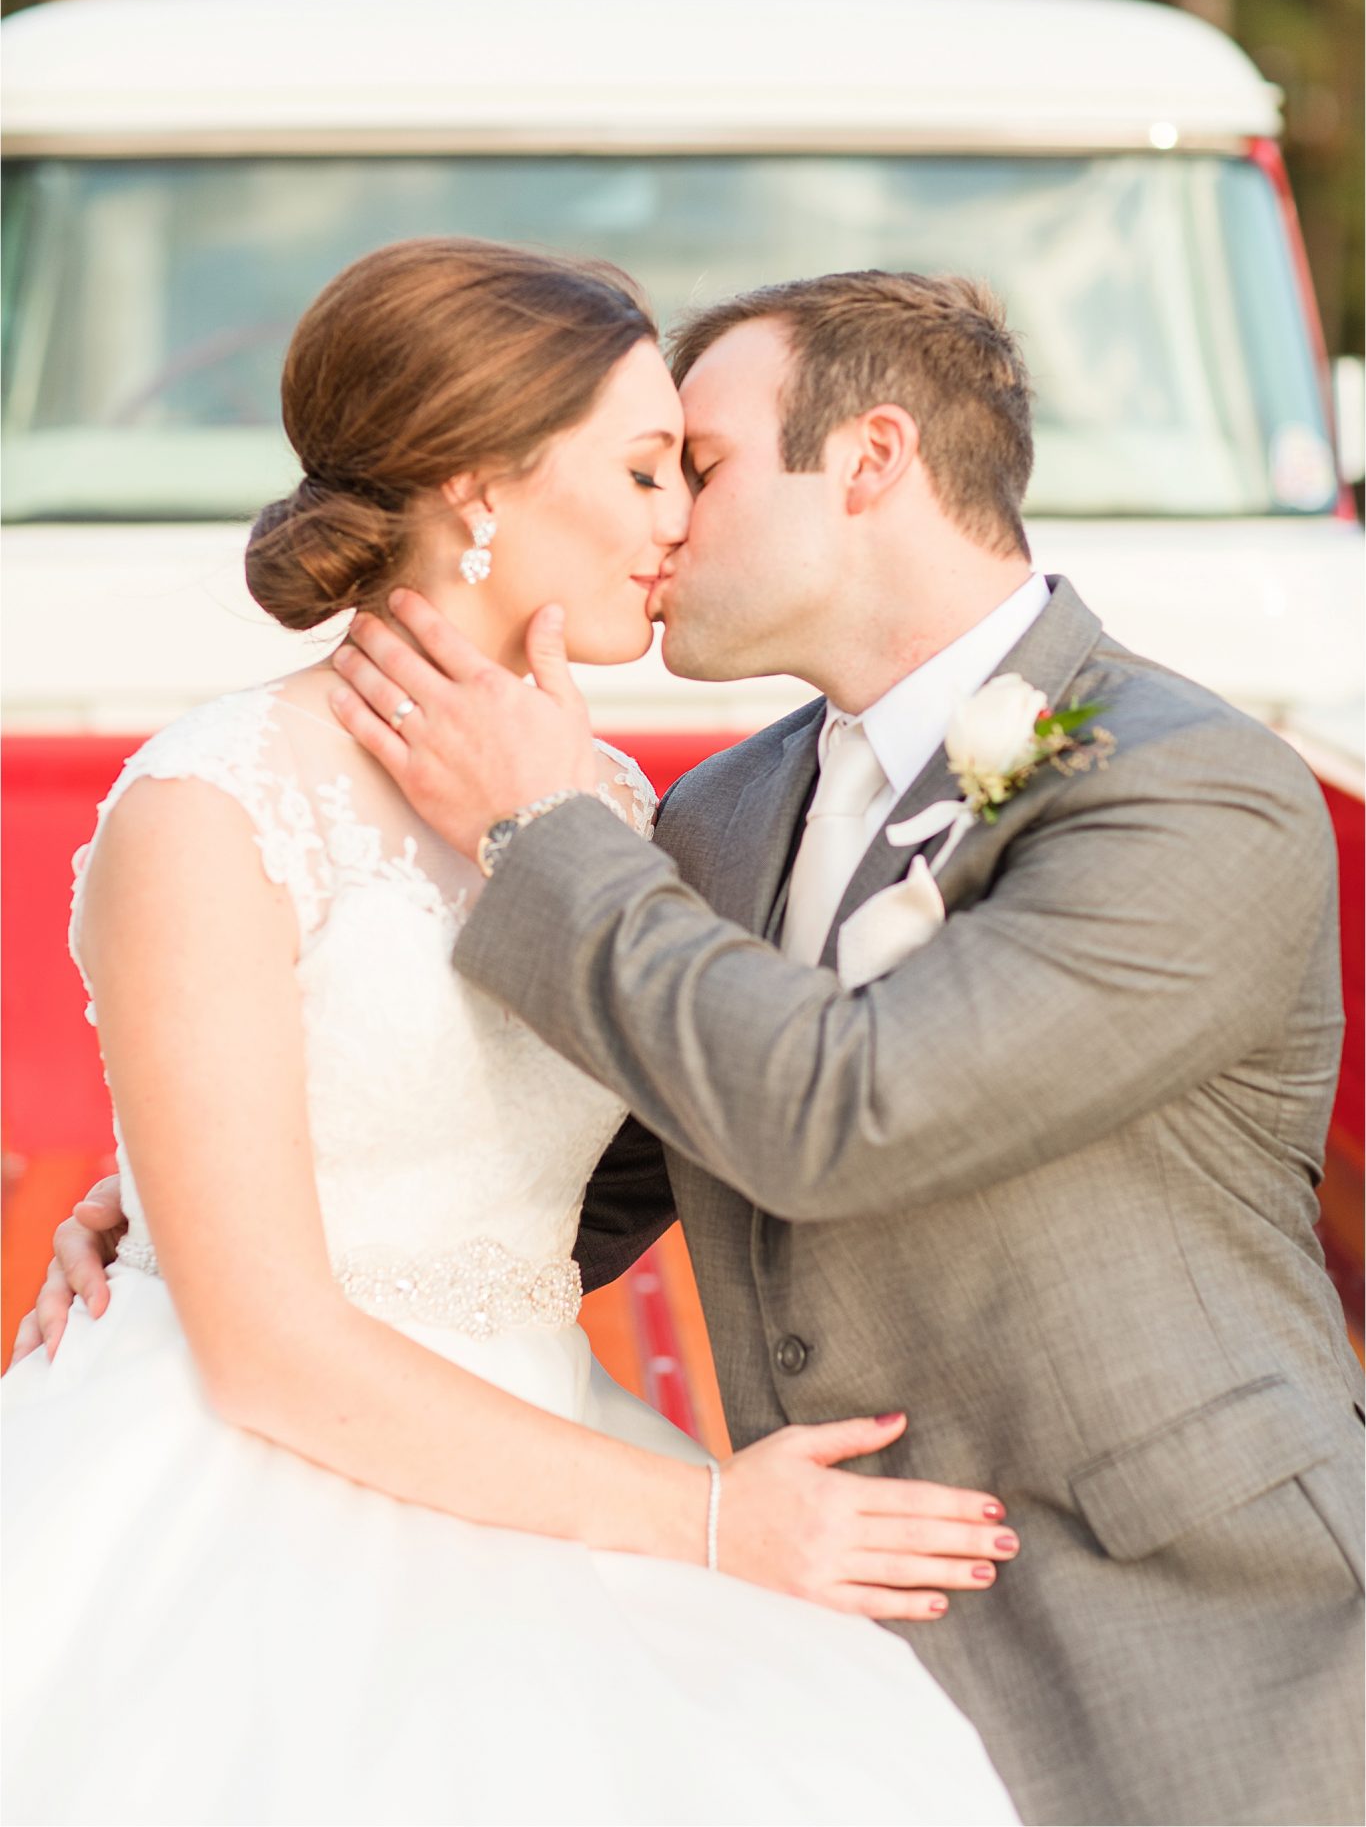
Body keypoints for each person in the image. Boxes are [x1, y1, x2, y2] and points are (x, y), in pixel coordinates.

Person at [293, 271, 1360, 1826]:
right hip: (829, 1635)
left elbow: (848, 1114)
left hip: (1194, 1630)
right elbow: (599, 1161)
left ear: (866, 460)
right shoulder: (724, 810)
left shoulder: (1189, 790)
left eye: (693, 469)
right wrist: (259, 1211)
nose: (652, 522)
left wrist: (536, 828)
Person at [3, 239, 1021, 1827]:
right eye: (643, 470)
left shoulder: (608, 806)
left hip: (542, 1438)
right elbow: (269, 1344)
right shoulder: (215, 804)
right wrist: (707, 1523)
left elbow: (674, 1126)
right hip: (250, 1490)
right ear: (480, 487)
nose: (682, 517)